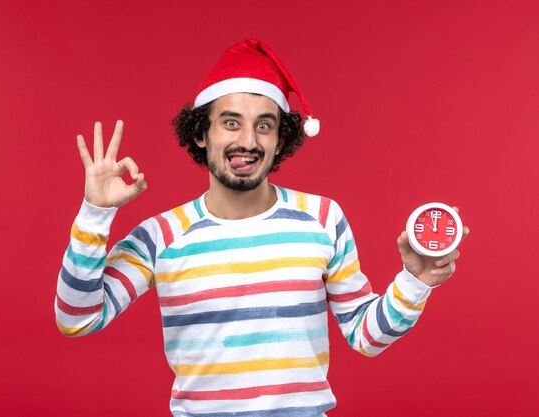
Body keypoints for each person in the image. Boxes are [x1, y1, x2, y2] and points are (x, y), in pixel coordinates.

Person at [56, 39, 468, 417]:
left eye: (264, 125)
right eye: (231, 123)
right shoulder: (161, 236)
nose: (248, 141)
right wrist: (95, 212)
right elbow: (77, 318)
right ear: (202, 133)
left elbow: (366, 335)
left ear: (279, 138)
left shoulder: (323, 218)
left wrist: (416, 280)